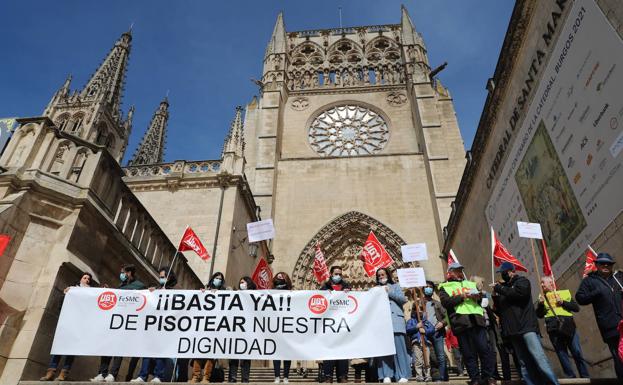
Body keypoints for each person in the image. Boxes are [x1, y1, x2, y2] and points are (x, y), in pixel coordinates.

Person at [492, 262, 559, 385]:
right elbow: (500, 310)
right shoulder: (503, 289)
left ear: (512, 271)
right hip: (514, 332)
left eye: (505, 272)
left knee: (539, 358)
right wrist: (495, 297)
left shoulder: (522, 282)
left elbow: (520, 294)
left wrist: (500, 288)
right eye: (501, 273)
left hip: (527, 327)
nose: (503, 275)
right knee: (524, 363)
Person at [438, 263, 495, 385]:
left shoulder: (470, 284)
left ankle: (488, 377)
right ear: (450, 273)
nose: (460, 273)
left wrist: (478, 296)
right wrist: (462, 296)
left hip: (477, 321)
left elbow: (481, 301)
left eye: (461, 270)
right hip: (460, 323)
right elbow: (446, 302)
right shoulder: (444, 287)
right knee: (469, 354)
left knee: (484, 349)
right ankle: (475, 379)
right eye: (457, 270)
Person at [91, 264, 146, 382]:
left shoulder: (140, 286)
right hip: (115, 320)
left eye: (123, 272)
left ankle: (113, 374)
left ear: (129, 273)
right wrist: (110, 291)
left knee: (119, 348)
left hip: (126, 322)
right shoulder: (121, 285)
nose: (121, 275)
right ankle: (102, 373)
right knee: (107, 346)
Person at [576, 252, 623, 378]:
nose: (606, 265)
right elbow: (580, 298)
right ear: (596, 265)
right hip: (610, 326)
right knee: (619, 357)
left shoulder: (618, 277)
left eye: (609, 263)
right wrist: (597, 292)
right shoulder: (589, 281)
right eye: (602, 263)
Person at [40, 272, 93, 381]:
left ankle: (64, 373)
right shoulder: (71, 290)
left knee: (71, 350)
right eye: (85, 278)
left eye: (89, 279)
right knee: (58, 347)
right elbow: (61, 305)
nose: (87, 280)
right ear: (80, 279)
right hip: (66, 322)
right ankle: (51, 372)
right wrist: (65, 294)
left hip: (78, 324)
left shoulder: (90, 293)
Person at [536, 276, 589, 378]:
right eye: (541, 283)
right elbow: (539, 315)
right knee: (562, 354)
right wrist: (541, 305)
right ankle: (571, 377)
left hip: (568, 326)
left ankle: (585, 375)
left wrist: (563, 302)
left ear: (551, 283)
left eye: (543, 282)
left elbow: (576, 308)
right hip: (553, 329)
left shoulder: (564, 293)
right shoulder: (541, 297)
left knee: (577, 352)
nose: (541, 285)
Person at [131, 267, 178, 383]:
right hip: (152, 324)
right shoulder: (155, 290)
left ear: (169, 277)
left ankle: (158, 376)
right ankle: (142, 376)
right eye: (160, 277)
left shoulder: (175, 292)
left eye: (163, 277)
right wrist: (151, 293)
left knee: (160, 351)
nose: (161, 279)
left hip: (165, 325)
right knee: (147, 350)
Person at [374, 267, 411, 383]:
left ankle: (403, 374)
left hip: (396, 320)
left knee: (400, 349)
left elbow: (403, 300)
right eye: (379, 275)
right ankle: (386, 375)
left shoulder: (396, 286)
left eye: (383, 274)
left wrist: (388, 291)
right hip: (382, 322)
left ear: (388, 275)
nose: (381, 277)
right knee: (384, 350)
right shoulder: (375, 289)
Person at [189, 272, 226, 383]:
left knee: (211, 354)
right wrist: (203, 293)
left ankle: (206, 377)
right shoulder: (205, 289)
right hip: (202, 326)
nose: (218, 280)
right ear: (212, 279)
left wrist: (219, 294)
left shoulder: (224, 291)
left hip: (215, 326)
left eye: (220, 279)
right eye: (216, 278)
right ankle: (196, 376)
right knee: (198, 351)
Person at [320, 265, 351, 383]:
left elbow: (354, 302)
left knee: (343, 351)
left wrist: (350, 293)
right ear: (331, 274)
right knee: (329, 351)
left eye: (340, 274)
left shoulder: (347, 287)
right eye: (336, 274)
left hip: (343, 323)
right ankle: (328, 376)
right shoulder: (325, 287)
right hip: (329, 324)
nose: (338, 276)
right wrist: (324, 293)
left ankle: (342, 376)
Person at [228, 277, 256, 383]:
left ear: (248, 283)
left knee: (246, 356)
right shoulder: (235, 294)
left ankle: (245, 378)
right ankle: (232, 377)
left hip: (248, 329)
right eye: (240, 282)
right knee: (233, 355)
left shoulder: (255, 295)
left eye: (243, 282)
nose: (241, 284)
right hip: (235, 329)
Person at [421, 281, 448, 382]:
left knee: (440, 355)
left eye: (430, 287)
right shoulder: (418, 303)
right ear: (423, 290)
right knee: (428, 356)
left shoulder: (437, 303)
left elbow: (446, 317)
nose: (428, 288)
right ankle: (430, 376)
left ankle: (442, 376)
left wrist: (442, 323)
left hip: (437, 332)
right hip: (424, 333)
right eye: (426, 287)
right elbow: (414, 318)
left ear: (433, 290)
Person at [272, 272, 293, 383]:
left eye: (282, 277)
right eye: (278, 277)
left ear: (286, 279)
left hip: (287, 325)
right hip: (275, 325)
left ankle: (285, 376)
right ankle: (276, 376)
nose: (279, 278)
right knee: (276, 352)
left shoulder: (292, 293)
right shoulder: (269, 292)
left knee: (286, 353)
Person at [406, 302, 434, 382]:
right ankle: (419, 375)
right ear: (415, 310)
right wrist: (416, 327)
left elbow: (432, 330)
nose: (420, 311)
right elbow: (408, 330)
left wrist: (425, 331)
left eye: (422, 309)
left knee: (426, 359)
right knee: (418, 360)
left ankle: (427, 375)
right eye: (419, 309)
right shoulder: (411, 321)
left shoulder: (426, 322)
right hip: (416, 343)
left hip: (426, 342)